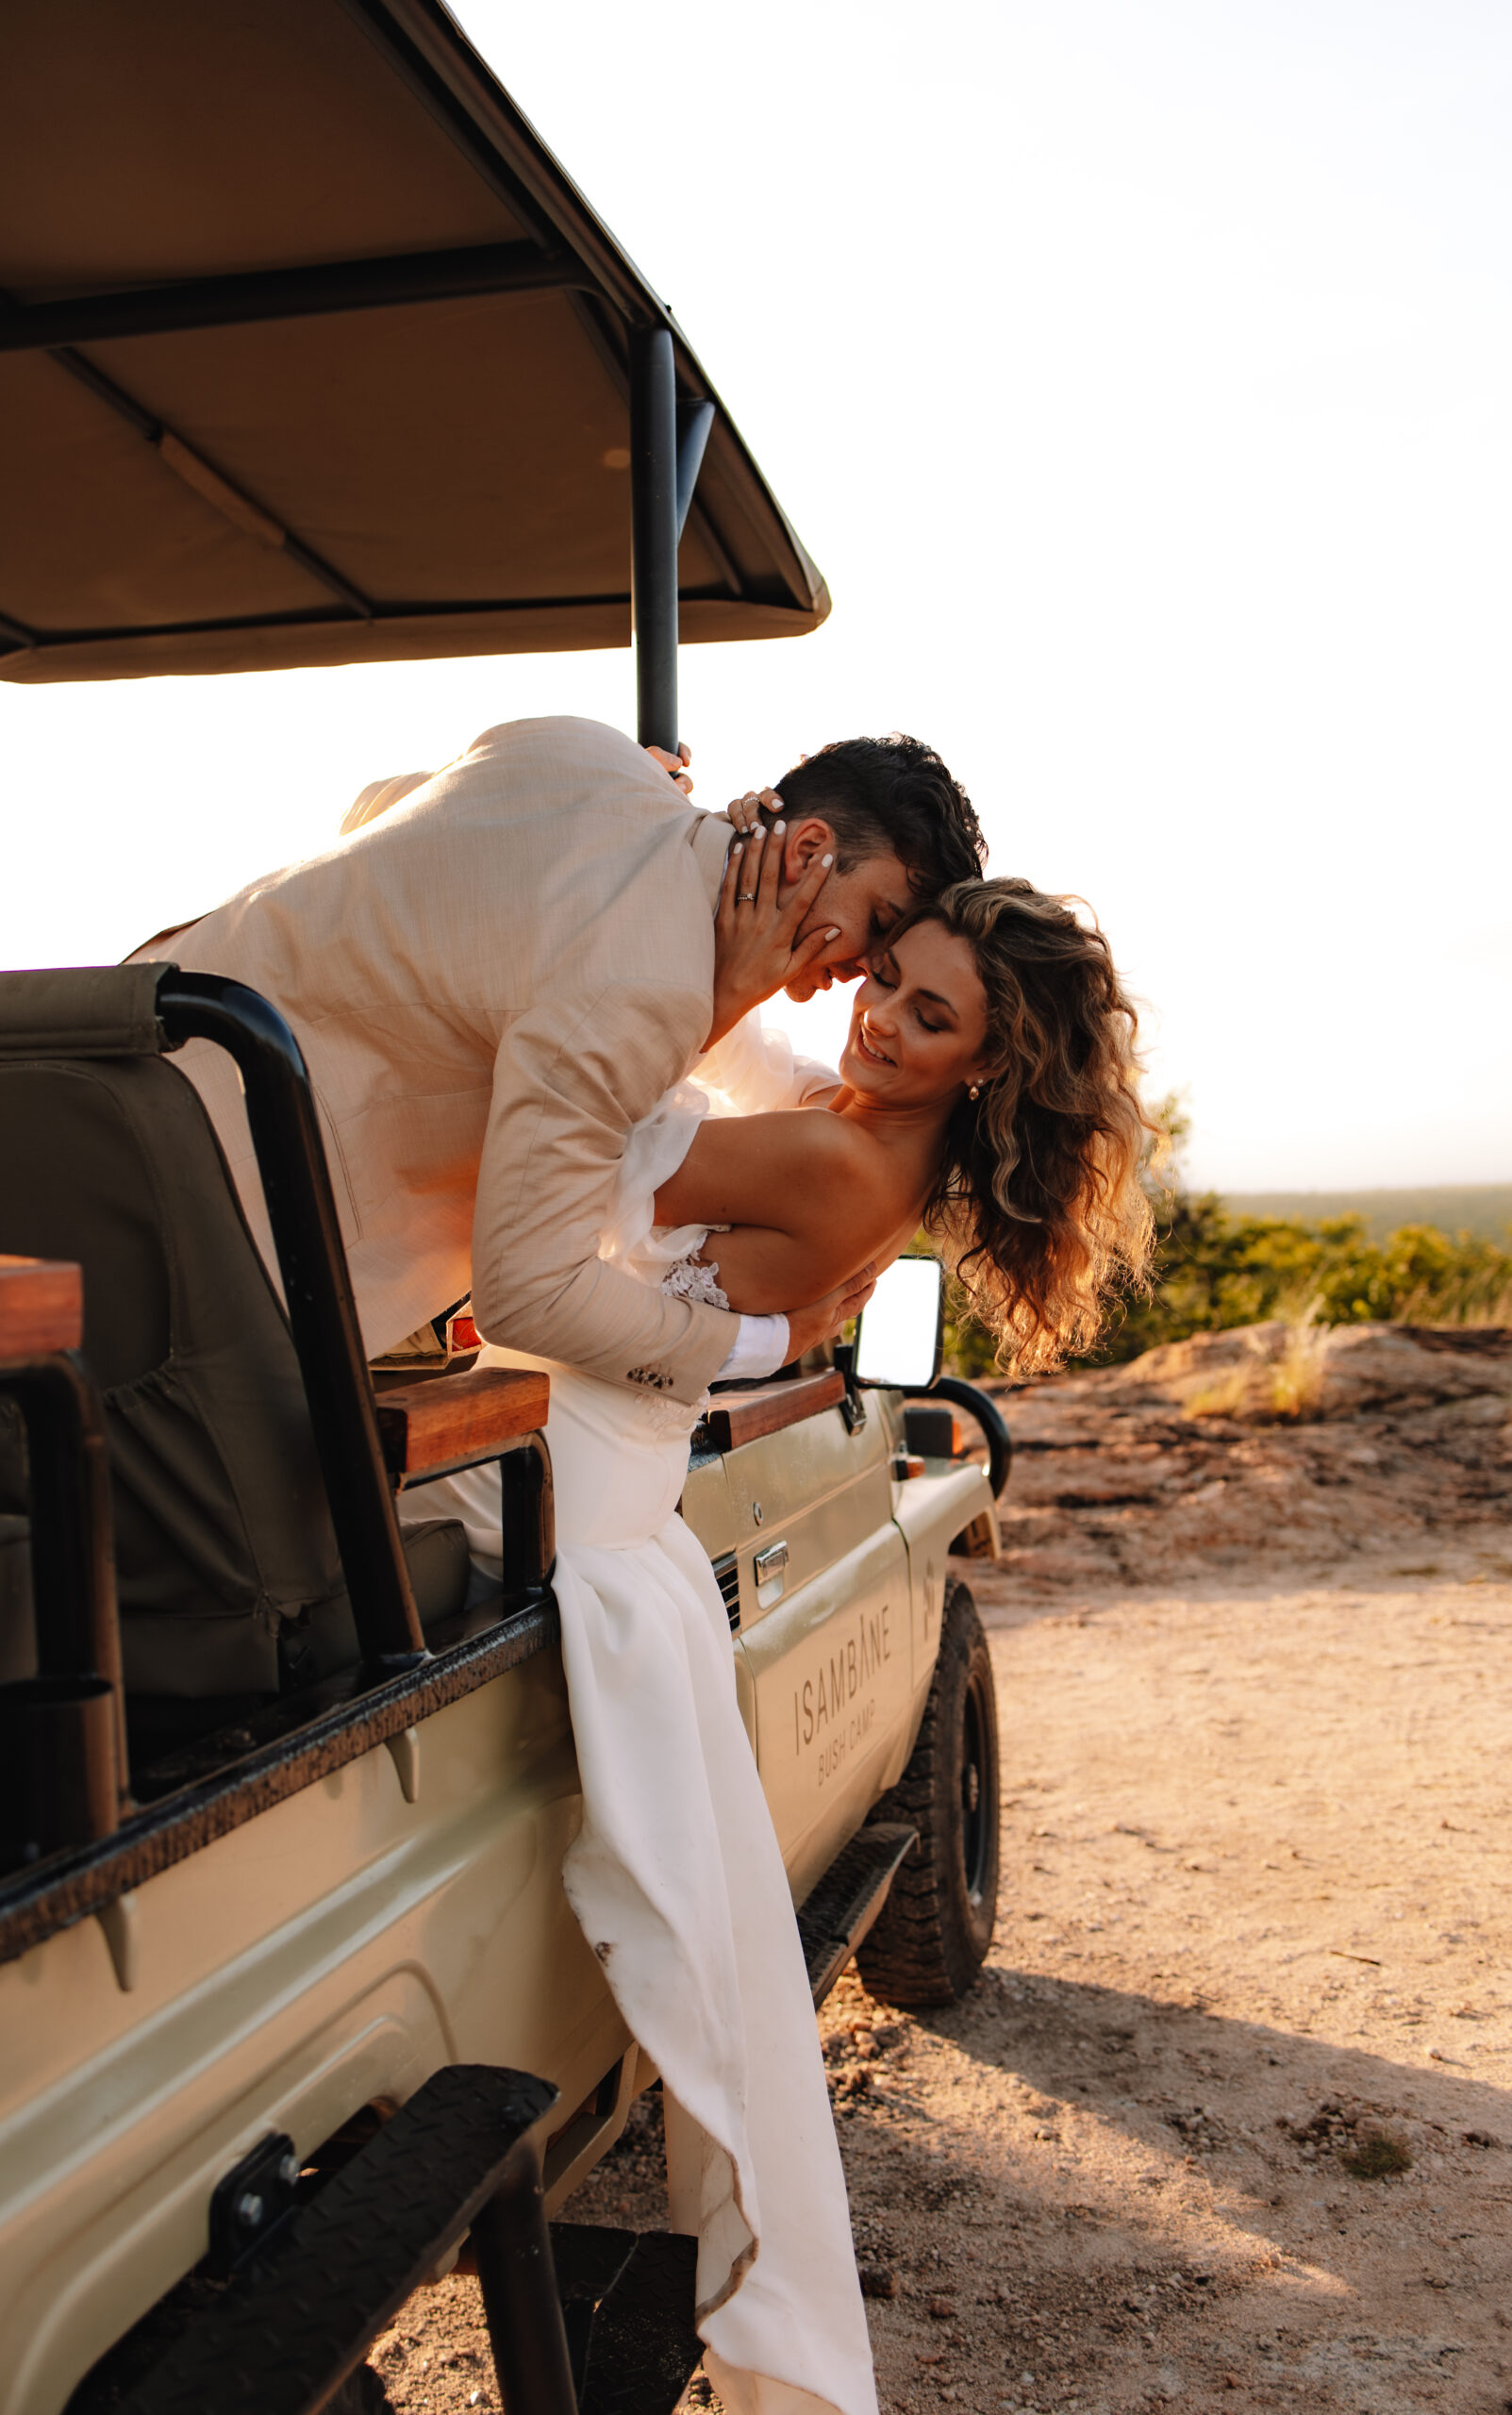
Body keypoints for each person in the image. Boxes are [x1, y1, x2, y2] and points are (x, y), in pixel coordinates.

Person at [427, 869, 1155, 2415]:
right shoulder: (862, 1130)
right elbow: (734, 1061)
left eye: (928, 1014)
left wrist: (636, 946)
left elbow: (590, 1123)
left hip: (555, 1471)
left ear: (988, 1063)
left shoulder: (833, 1156)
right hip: (595, 1458)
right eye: (886, 979)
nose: (882, 1019)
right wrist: (683, 881)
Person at [134, 715, 986, 1395]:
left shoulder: (580, 744)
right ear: (805, 852)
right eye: (875, 932)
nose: (853, 979)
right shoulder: (653, 995)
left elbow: (372, 814)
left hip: (113, 1029)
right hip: (202, 1236)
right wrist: (772, 1340)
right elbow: (527, 1295)